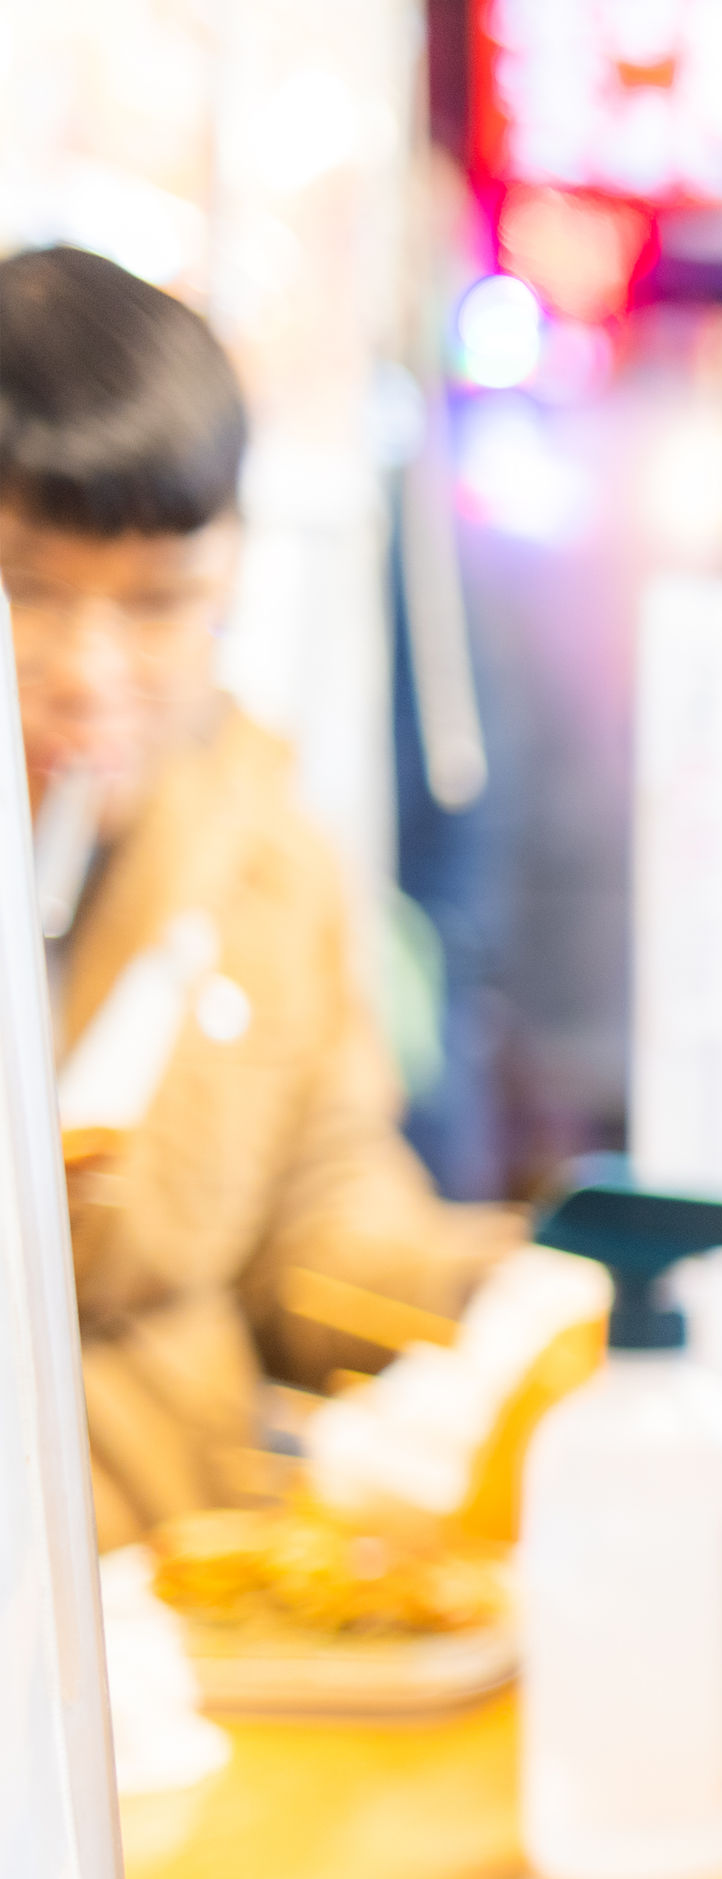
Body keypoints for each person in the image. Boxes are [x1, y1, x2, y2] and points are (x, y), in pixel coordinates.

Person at [0, 247, 517, 1546]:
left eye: (159, 602)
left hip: (166, 1621)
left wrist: (515, 1288)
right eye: (25, 588)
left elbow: (319, 1215)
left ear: (230, 580)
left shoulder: (265, 857)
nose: (87, 665)